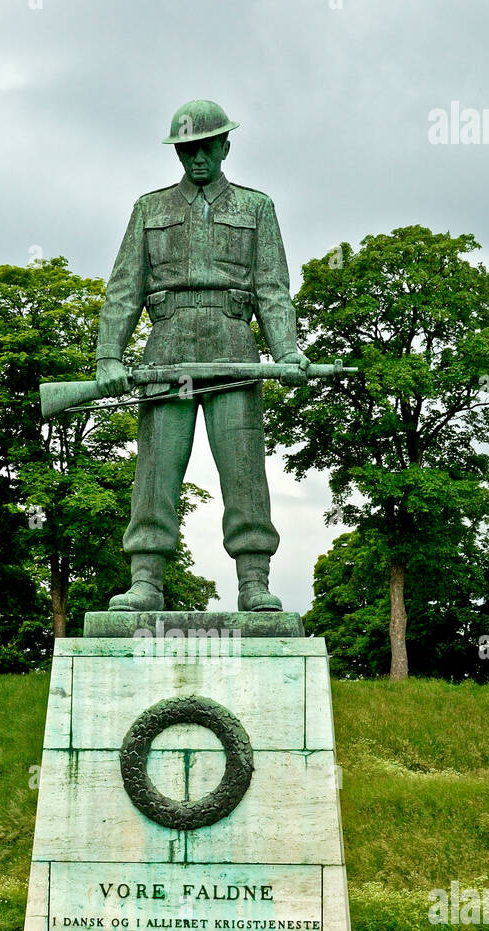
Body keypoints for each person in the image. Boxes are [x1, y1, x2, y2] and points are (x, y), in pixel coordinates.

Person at [95, 99, 309, 612]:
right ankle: (146, 577)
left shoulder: (257, 208)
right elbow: (125, 289)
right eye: (186, 149)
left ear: (224, 146)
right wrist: (108, 357)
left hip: (234, 344)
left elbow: (273, 288)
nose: (196, 158)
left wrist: (287, 350)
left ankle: (254, 579)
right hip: (166, 344)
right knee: (156, 467)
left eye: (205, 148)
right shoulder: (150, 208)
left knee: (244, 468)